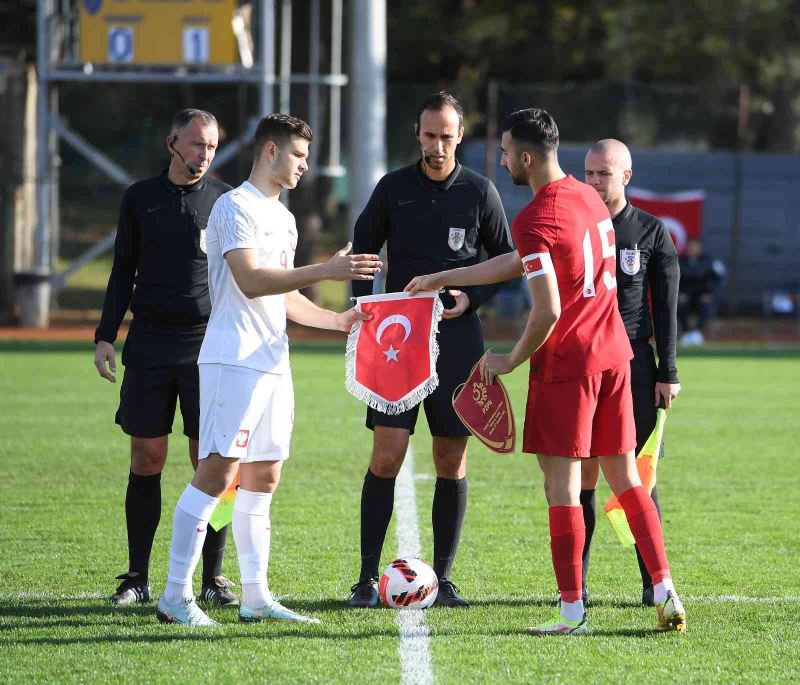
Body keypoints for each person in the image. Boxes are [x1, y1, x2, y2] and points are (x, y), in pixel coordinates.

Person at [405, 108, 686, 635]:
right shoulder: (585, 195)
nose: (503, 158)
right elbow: (520, 261)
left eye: (507, 151)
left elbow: (549, 307)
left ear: (527, 158)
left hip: (568, 366)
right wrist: (444, 274)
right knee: (626, 479)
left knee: (561, 488)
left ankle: (572, 612)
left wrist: (509, 359)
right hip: (616, 358)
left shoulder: (536, 216)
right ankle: (665, 588)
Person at [155, 113, 382, 627]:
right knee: (217, 474)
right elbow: (252, 281)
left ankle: (256, 597)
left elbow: (284, 299)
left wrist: (338, 320)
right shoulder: (233, 207)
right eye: (299, 156)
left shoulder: (284, 217)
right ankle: (174, 595)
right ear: (271, 152)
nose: (306, 166)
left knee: (265, 476)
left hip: (272, 362)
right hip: (232, 360)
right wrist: (326, 269)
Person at [347, 92, 514, 608]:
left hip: (459, 343)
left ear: (460, 136)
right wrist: (364, 313)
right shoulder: (393, 187)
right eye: (429, 135)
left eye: (446, 135)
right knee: (386, 456)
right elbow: (363, 250)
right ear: (416, 135)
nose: (437, 145)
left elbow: (508, 260)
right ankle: (365, 580)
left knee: (450, 457)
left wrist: (474, 295)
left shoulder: (480, 191)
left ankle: (442, 581)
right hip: (398, 343)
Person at [94, 109, 238, 607]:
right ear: (171, 142)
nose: (204, 155)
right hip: (151, 344)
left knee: (213, 463)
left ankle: (214, 577)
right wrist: (105, 335)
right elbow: (121, 270)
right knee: (147, 457)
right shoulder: (139, 198)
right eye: (196, 144)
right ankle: (136, 577)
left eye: (212, 147)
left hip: (208, 345)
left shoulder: (224, 200)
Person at [583, 139, 680, 606]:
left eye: (605, 173)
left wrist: (669, 371)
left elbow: (665, 308)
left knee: (639, 474)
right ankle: (575, 584)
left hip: (635, 366)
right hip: (581, 364)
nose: (596, 181)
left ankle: (652, 581)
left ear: (627, 176)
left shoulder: (650, 232)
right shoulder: (575, 225)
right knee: (579, 473)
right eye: (590, 173)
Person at [678, 237, 725, 344]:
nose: (692, 249)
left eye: (695, 246)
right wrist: (679, 293)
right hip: (685, 295)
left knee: (706, 306)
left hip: (703, 295)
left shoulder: (710, 262)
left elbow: (719, 279)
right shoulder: (679, 261)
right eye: (690, 246)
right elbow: (672, 280)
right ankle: (686, 333)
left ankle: (697, 333)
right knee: (679, 305)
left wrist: (710, 294)